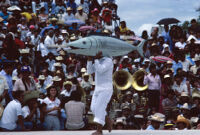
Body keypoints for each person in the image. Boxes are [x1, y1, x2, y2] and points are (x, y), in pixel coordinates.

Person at [87, 51, 113, 135]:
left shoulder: (108, 60)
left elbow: (101, 70)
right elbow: (90, 71)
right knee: (93, 108)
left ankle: (99, 130)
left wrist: (96, 59)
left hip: (106, 88)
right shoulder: (97, 60)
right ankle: (107, 119)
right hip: (97, 88)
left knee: (99, 108)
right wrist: (89, 60)